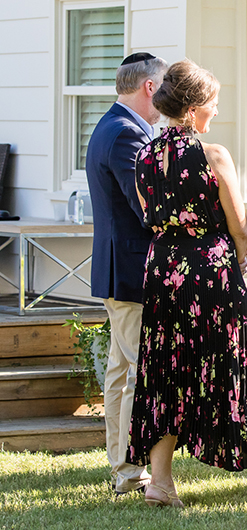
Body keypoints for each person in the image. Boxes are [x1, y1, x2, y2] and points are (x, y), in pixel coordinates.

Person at [126, 59, 247, 511]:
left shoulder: (144, 155)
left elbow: (149, 213)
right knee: (239, 368)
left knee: (166, 372)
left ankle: (160, 483)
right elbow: (240, 227)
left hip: (164, 272)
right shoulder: (212, 155)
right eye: (213, 104)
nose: (216, 113)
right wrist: (237, 258)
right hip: (212, 271)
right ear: (193, 108)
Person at [85, 51, 168, 496]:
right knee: (140, 372)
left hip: (119, 270)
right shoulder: (126, 136)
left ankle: (124, 468)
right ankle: (135, 472)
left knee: (121, 373)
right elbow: (147, 207)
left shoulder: (112, 126)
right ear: (148, 87)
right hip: (133, 270)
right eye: (164, 88)